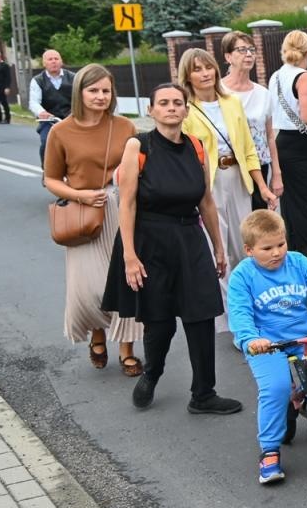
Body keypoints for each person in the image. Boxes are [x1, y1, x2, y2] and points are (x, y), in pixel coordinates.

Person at [102, 82, 241, 415]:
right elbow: (128, 203)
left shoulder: (195, 146)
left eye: (177, 102)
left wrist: (218, 248)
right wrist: (129, 256)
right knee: (160, 321)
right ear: (151, 110)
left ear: (186, 109)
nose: (171, 108)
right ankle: (152, 373)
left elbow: (206, 202)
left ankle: (204, 394)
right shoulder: (139, 145)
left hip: (189, 237)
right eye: (163, 103)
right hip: (150, 239)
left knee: (201, 315)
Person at [228, 210, 307, 485]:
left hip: (305, 337)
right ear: (249, 250)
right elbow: (240, 312)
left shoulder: (297, 263)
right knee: (275, 388)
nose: (276, 253)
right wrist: (250, 339)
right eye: (267, 248)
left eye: (280, 244)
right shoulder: (243, 276)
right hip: (267, 344)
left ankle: (302, 398)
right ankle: (270, 451)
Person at [41, 64, 144, 376]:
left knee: (127, 282)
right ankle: (97, 334)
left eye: (106, 91)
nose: (100, 96)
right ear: (80, 93)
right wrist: (80, 195)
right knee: (90, 289)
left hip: (123, 209)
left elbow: (140, 168)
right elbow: (50, 179)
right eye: (93, 90)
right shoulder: (61, 132)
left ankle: (127, 350)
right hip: (85, 214)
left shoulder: (126, 127)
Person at [179, 47, 275, 284]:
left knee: (245, 245)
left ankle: (245, 306)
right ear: (187, 76)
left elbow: (248, 148)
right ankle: (224, 316)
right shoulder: (186, 109)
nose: (205, 73)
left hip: (238, 178)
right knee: (218, 247)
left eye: (208, 67)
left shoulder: (231, 102)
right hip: (209, 183)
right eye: (197, 69)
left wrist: (262, 186)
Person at [268, 30, 307, 263]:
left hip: (281, 142)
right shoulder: (303, 77)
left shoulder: (275, 76)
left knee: (292, 207)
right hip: (299, 145)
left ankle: (294, 254)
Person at [220, 31, 282, 211]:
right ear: (228, 56)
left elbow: (270, 136)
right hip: (232, 167)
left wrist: (276, 173)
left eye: (251, 50)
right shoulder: (219, 92)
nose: (248, 54)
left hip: (260, 168)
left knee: (258, 223)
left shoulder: (262, 93)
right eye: (241, 50)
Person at [29, 49, 74, 164]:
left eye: (56, 58)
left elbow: (82, 97)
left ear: (61, 61)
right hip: (49, 120)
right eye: (50, 59)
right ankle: (47, 170)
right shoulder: (38, 81)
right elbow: (34, 102)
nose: (53, 61)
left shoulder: (74, 78)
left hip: (71, 118)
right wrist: (41, 112)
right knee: (46, 142)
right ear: (44, 63)